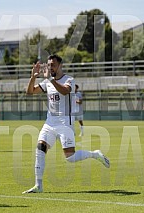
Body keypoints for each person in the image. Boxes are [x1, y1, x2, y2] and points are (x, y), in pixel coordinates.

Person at [23, 54, 110, 194]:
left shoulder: (69, 79)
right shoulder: (46, 82)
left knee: (70, 157)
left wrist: (50, 79)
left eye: (53, 65)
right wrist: (33, 76)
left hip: (65, 122)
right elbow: (30, 92)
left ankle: (95, 154)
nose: (50, 67)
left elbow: (65, 91)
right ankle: (38, 185)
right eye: (49, 64)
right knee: (40, 148)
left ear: (60, 66)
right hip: (50, 122)